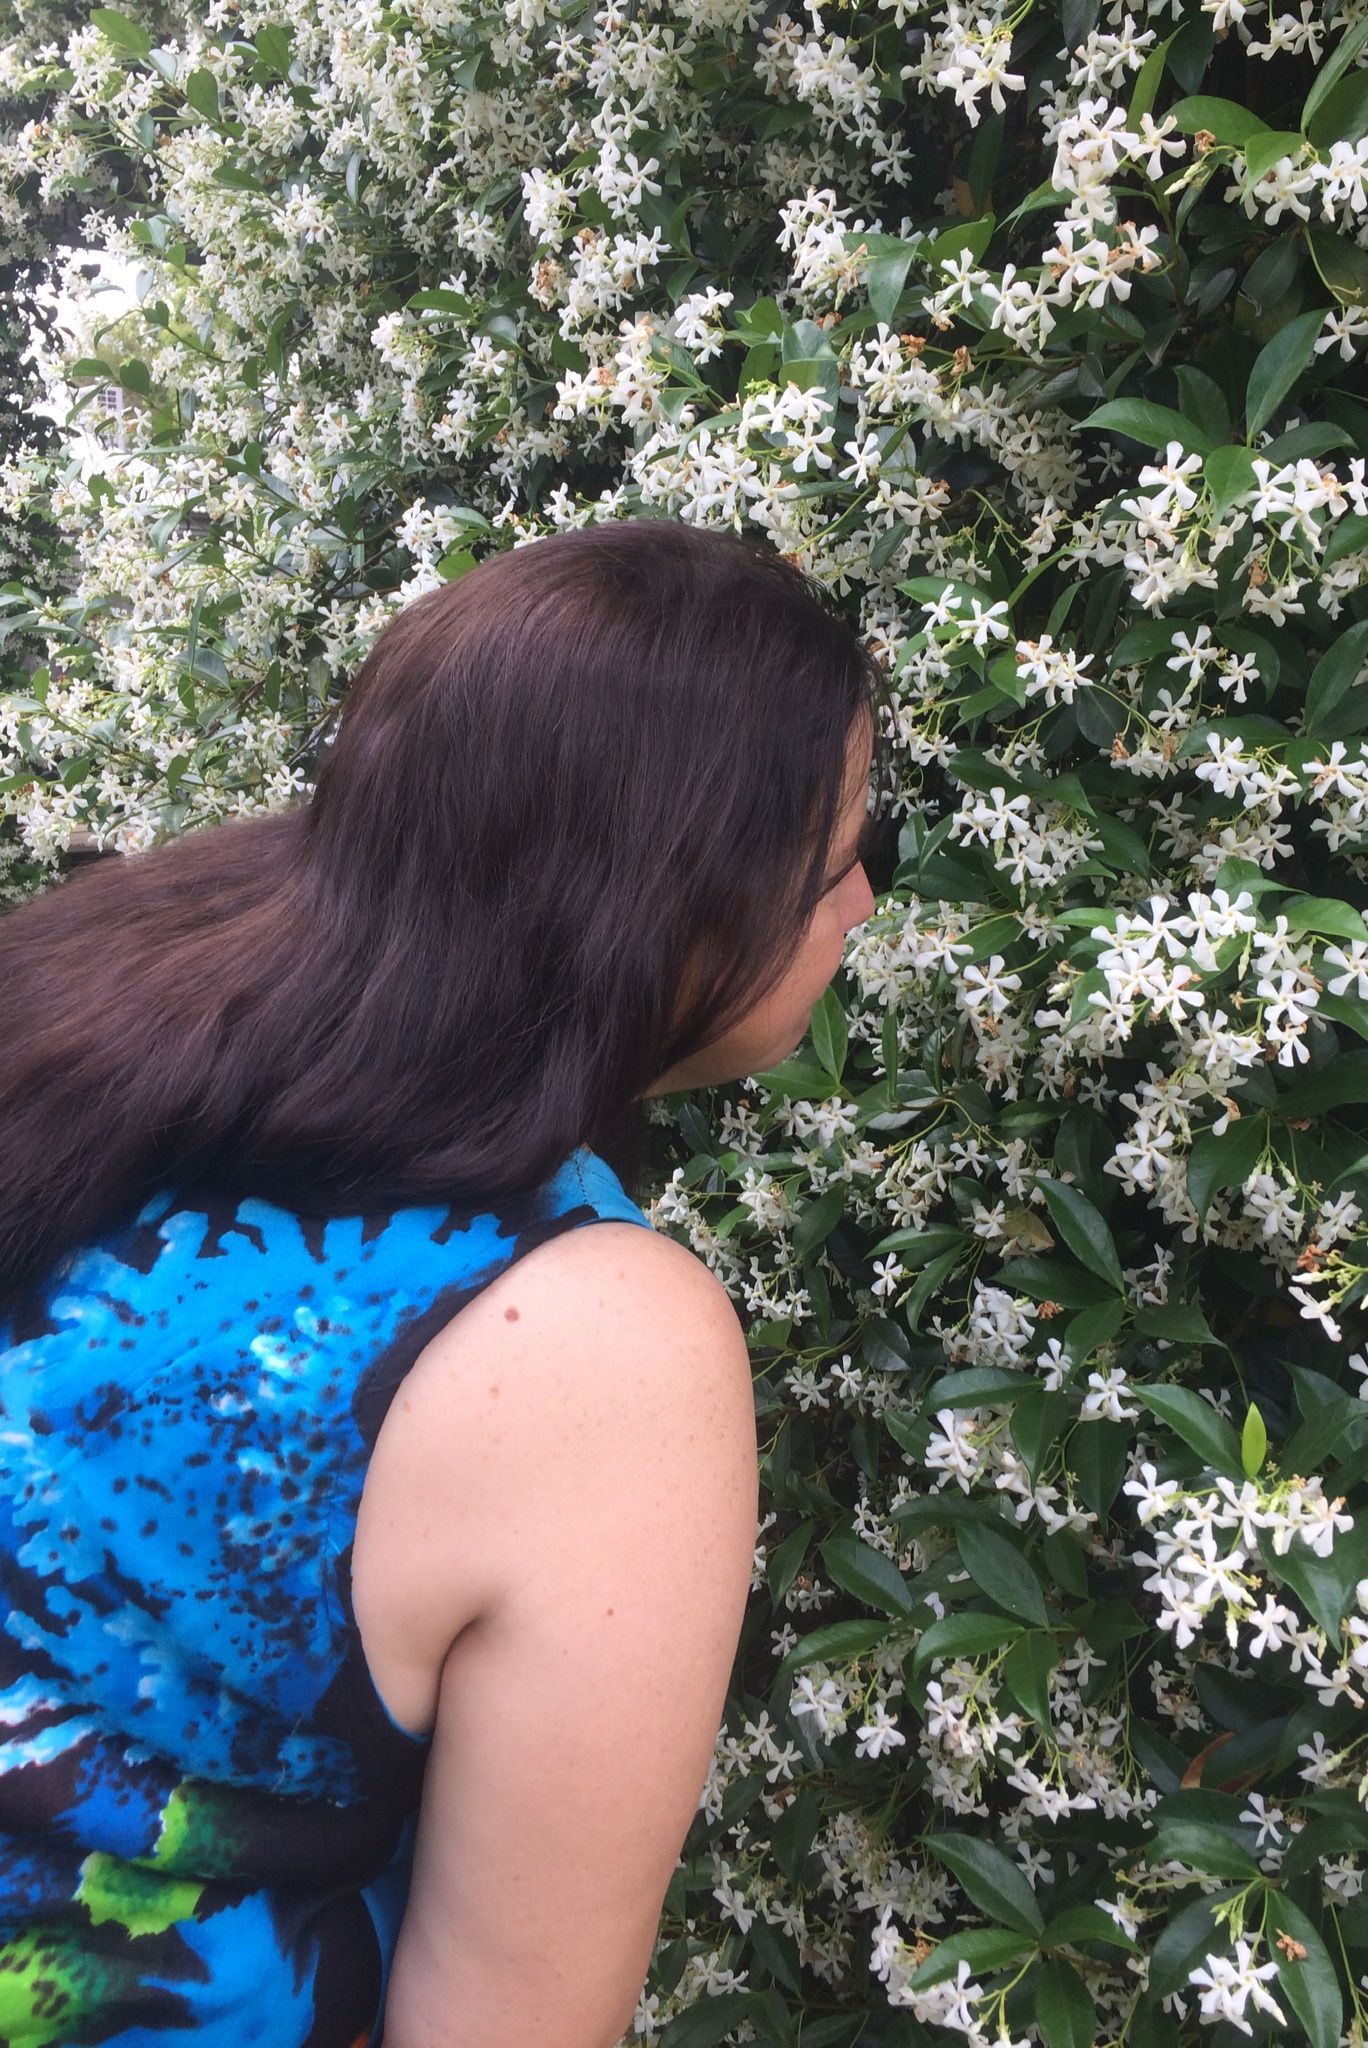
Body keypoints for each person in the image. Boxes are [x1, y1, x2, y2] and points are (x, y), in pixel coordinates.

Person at [0, 517, 891, 2048]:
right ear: (670, 923)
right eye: (843, 861)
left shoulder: (125, 960)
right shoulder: (599, 1353)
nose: (866, 905)